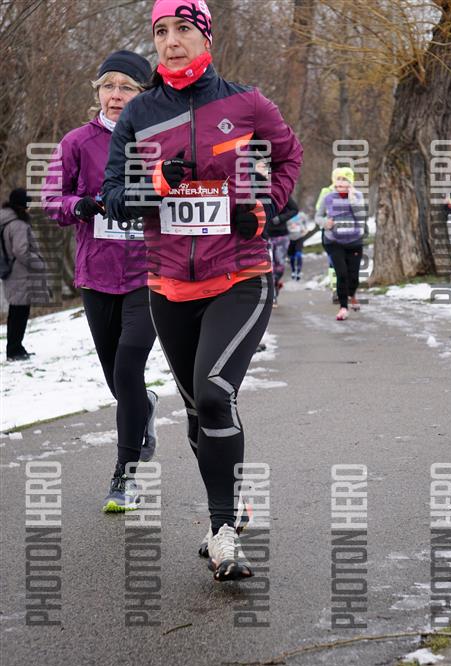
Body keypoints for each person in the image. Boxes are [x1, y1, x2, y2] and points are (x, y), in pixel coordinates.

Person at [102, 0, 302, 580]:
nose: (171, 41)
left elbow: (288, 157)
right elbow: (113, 196)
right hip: (167, 284)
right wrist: (155, 186)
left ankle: (222, 532)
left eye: (184, 29)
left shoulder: (247, 103)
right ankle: (231, 502)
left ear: (205, 36)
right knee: (196, 412)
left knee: (214, 394)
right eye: (162, 31)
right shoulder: (139, 114)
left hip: (240, 275)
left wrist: (264, 207)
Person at [42, 50, 158, 513]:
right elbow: (51, 200)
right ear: (98, 92)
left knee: (128, 367)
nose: (116, 95)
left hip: (150, 274)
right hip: (97, 275)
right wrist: (81, 205)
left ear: (142, 95)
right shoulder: (76, 142)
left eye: (126, 87)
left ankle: (124, 476)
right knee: (118, 379)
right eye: (108, 86)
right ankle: (144, 407)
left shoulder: (158, 140)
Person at [1, 188, 49, 360]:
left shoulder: (6, 221)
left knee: (16, 313)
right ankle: (14, 351)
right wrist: (39, 263)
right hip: (20, 274)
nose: (29, 208)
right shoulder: (18, 225)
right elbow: (21, 251)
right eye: (27, 204)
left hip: (11, 272)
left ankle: (16, 348)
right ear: (22, 206)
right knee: (19, 314)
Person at [315, 167, 366, 321]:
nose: (341, 183)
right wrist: (325, 223)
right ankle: (343, 307)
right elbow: (318, 216)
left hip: (354, 241)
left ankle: (351, 294)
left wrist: (352, 199)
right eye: (338, 179)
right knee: (341, 274)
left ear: (350, 182)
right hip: (334, 241)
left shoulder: (358, 196)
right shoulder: (328, 197)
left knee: (354, 277)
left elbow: (361, 217)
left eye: (344, 180)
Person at [267, 195, 298, 304]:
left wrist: (280, 218)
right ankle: (272, 294)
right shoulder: (258, 191)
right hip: (265, 236)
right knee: (268, 265)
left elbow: (295, 210)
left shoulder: (281, 193)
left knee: (279, 265)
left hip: (281, 236)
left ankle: (275, 285)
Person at [287, 210, 309, 280]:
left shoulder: (301, 215)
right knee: (292, 257)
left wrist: (305, 229)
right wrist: (290, 227)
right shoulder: (286, 215)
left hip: (299, 237)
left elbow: (306, 222)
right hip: (290, 239)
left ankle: (299, 272)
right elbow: (284, 226)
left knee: (298, 254)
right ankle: (293, 271)